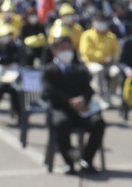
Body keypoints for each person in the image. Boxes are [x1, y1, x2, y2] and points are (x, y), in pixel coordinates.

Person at [42, 36, 105, 175]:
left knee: (98, 122)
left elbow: (89, 89)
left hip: (81, 109)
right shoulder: (49, 70)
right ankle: (69, 163)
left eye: (68, 48)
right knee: (61, 123)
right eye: (62, 48)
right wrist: (70, 102)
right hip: (60, 108)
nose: (66, 51)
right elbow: (49, 92)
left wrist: (83, 100)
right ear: (54, 51)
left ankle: (86, 161)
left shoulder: (79, 69)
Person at [80, 13, 120, 108]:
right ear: (93, 23)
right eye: (99, 22)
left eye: (103, 22)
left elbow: (116, 50)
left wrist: (113, 58)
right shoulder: (87, 35)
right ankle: (100, 96)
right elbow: (86, 52)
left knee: (116, 72)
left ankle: (109, 94)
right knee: (99, 70)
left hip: (109, 63)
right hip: (92, 62)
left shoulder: (111, 36)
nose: (101, 24)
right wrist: (103, 58)